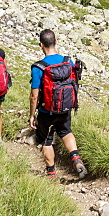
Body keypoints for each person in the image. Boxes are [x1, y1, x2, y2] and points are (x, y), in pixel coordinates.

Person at [29, 29, 87, 180]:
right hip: (65, 107)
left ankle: (51, 174)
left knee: (46, 140)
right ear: (56, 41)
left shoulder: (38, 67)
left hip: (46, 110)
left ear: (41, 45)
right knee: (66, 132)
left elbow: (34, 96)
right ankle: (76, 158)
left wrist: (31, 115)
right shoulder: (68, 61)